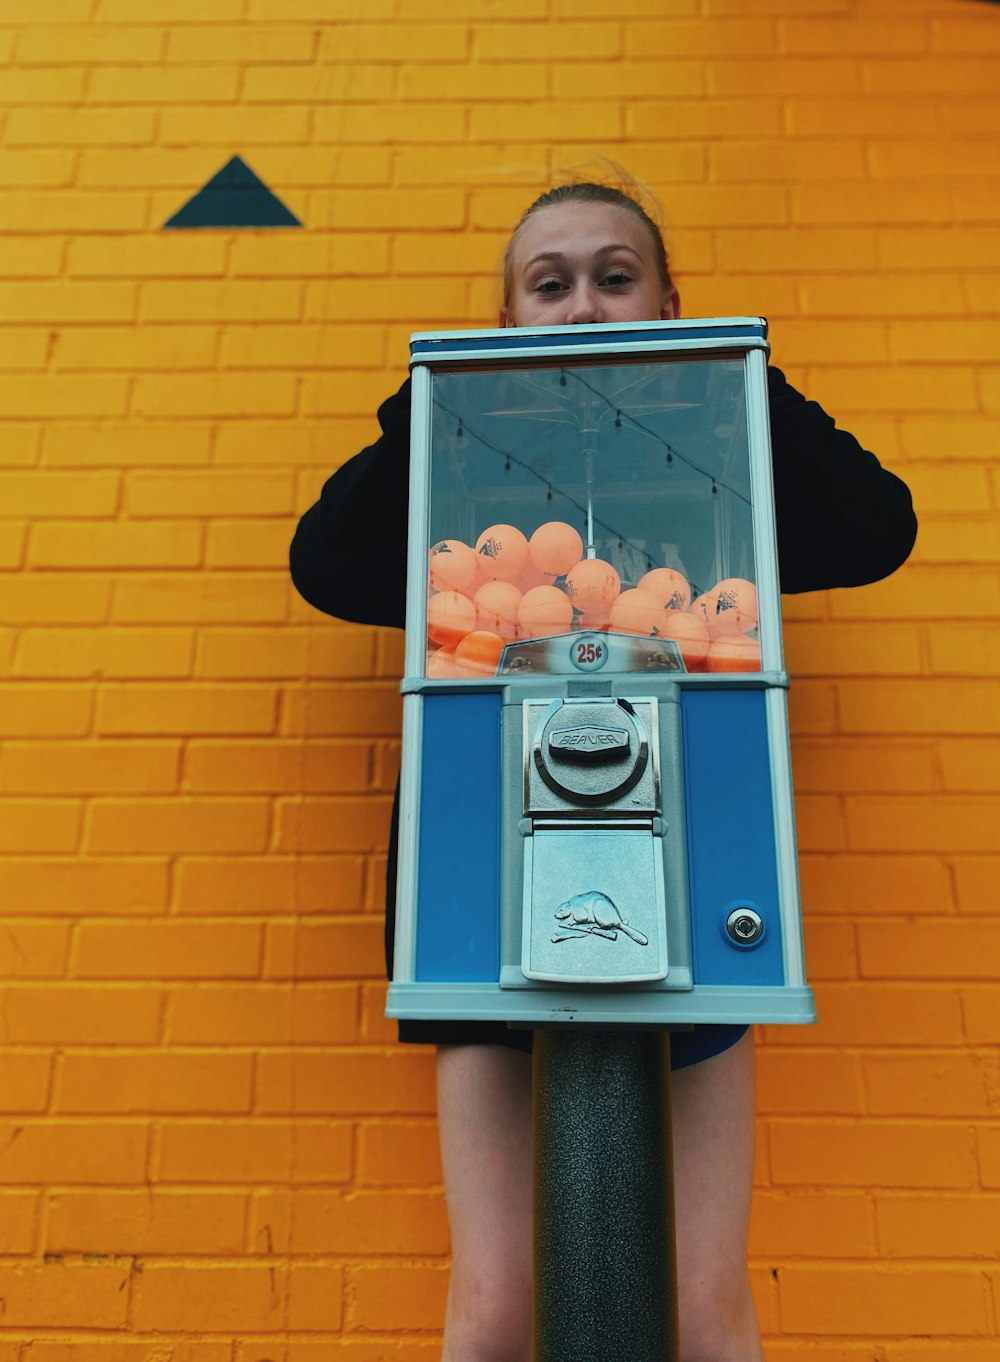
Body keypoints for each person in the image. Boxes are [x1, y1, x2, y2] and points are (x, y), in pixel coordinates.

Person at [290, 181, 917, 1362]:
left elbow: (875, 528)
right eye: (550, 284)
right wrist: (447, 396)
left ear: (665, 296)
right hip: (480, 870)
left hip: (696, 857)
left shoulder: (713, 450)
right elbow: (326, 564)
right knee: (495, 1311)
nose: (583, 306)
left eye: (615, 277)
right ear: (510, 311)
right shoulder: (464, 460)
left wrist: (725, 372)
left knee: (701, 1303)